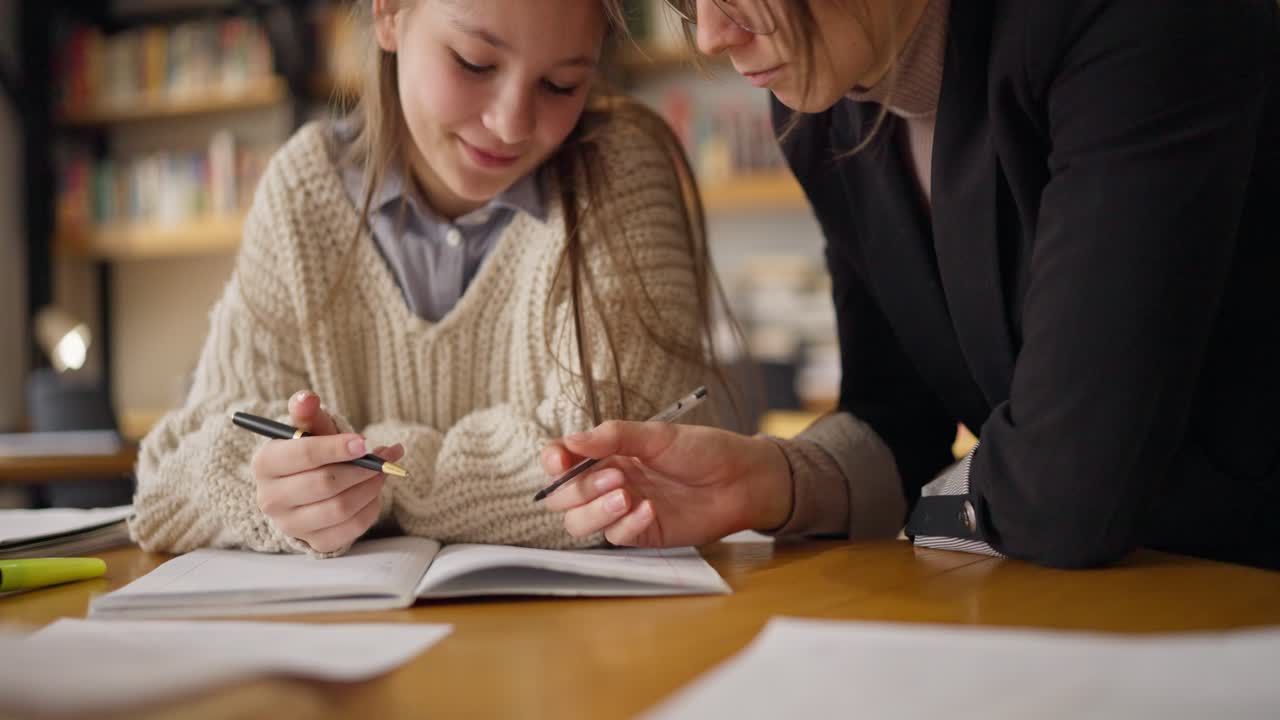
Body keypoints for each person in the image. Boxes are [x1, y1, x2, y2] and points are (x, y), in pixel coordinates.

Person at [542, 0, 1280, 570]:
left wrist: (940, 508)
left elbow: (1070, 488)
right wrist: (771, 479)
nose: (709, 34)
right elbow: (899, 412)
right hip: (1094, 608)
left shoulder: (1122, 20)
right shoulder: (818, 108)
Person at [129, 0, 728, 556]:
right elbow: (174, 479)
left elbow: (624, 465)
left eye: (561, 83)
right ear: (388, 12)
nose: (512, 123)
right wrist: (273, 492)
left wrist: (373, 477)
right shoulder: (301, 193)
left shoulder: (618, 169)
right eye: (474, 62)